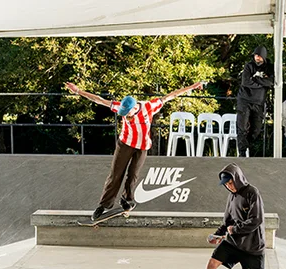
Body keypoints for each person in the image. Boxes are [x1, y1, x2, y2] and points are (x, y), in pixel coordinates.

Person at [65, 81, 204, 220]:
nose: (126, 116)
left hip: (142, 146)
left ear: (134, 107)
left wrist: (191, 87)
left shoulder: (149, 107)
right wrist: (78, 91)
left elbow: (170, 96)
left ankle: (127, 199)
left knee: (133, 175)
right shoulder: (120, 107)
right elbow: (99, 100)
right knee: (115, 174)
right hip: (125, 143)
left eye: (128, 114)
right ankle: (103, 205)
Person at [177, 163, 283, 269]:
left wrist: (235, 229)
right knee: (212, 263)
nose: (229, 186)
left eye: (231, 182)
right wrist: (218, 234)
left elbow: (257, 220)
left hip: (253, 245)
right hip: (233, 242)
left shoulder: (252, 193)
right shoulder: (231, 197)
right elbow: (227, 222)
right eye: (226, 184)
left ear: (238, 178)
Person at [236, 46, 274, 157]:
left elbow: (271, 82)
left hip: (259, 102)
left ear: (264, 56)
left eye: (259, 56)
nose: (257, 58)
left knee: (256, 129)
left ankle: (250, 149)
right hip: (244, 100)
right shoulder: (249, 66)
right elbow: (245, 82)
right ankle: (242, 153)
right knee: (242, 126)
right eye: (255, 55)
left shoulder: (269, 68)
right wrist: (262, 83)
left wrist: (256, 79)